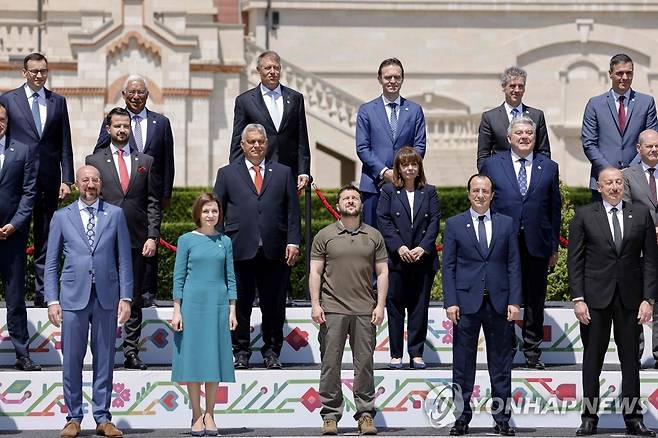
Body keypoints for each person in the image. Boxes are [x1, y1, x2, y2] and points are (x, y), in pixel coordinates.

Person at [44, 165, 133, 438]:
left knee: (105, 358)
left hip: (107, 297)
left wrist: (126, 297)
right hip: (72, 297)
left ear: (101, 184)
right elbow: (50, 263)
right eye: (85, 180)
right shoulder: (61, 217)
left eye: (95, 180)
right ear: (77, 184)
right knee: (71, 358)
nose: (91, 184)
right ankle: (73, 417)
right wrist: (52, 300)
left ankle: (103, 417)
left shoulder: (116, 214)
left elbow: (124, 260)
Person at [568, 167, 657, 437]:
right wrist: (578, 298)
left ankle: (633, 419)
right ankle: (589, 417)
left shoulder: (640, 214)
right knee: (592, 361)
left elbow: (651, 261)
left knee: (630, 361)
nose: (615, 187)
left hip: (630, 300)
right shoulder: (584, 216)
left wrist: (648, 299)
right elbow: (576, 260)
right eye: (609, 183)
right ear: (599, 186)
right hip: (594, 300)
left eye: (619, 182)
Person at [213, 123, 301, 370]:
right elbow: (216, 212)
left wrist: (293, 240)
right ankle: (241, 351)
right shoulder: (227, 173)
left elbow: (292, 211)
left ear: (266, 144)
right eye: (251, 142)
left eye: (260, 142)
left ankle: (272, 351)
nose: (256, 146)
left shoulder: (283, 173)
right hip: (239, 249)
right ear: (242, 145)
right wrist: (218, 244)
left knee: (274, 305)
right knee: (240, 304)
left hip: (275, 249)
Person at [442, 174, 521, 437]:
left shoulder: (506, 224)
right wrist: (450, 301)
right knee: (462, 364)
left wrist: (514, 300)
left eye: (485, 190)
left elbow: (513, 264)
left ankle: (502, 418)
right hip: (465, 304)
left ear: (492, 194)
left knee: (501, 363)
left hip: (499, 303)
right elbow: (449, 266)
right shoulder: (454, 224)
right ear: (468, 194)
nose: (480, 195)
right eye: (475, 190)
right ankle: (462, 418)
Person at [481, 115, 561, 369]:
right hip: (503, 244)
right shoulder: (492, 166)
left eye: (529, 133)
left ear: (535, 138)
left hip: (537, 244)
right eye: (520, 133)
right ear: (509, 138)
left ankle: (532, 352)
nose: (525, 137)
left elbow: (554, 210)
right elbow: (484, 203)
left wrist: (553, 247)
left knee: (535, 300)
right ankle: (505, 349)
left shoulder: (548, 166)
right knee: (502, 297)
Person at [86, 107, 161, 371]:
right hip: (104, 241)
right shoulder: (94, 161)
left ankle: (131, 351)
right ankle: (103, 351)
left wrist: (153, 236)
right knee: (103, 297)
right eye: (117, 126)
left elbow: (153, 202)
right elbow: (88, 202)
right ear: (108, 129)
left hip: (137, 240)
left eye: (126, 126)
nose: (122, 130)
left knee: (134, 297)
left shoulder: (146, 161)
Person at [310, 185, 388, 436]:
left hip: (364, 310)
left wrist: (380, 305)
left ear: (361, 204)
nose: (351, 201)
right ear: (338, 204)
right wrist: (314, 303)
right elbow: (315, 272)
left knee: (364, 364)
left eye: (355, 197)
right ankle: (330, 415)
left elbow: (383, 272)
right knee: (330, 364)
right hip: (332, 309)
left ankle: (365, 414)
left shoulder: (374, 236)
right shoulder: (324, 235)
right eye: (346, 198)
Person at [94, 74, 175, 308]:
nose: (136, 97)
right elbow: (100, 151)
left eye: (141, 93)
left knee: (149, 241)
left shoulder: (162, 122)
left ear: (147, 96)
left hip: (149, 192)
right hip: (120, 191)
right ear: (124, 95)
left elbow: (168, 160)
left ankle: (147, 292)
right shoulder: (114, 122)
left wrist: (166, 194)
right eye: (132, 93)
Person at [0, 52, 73, 308]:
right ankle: (15, 296)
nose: (39, 75)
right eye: (34, 71)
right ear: (24, 73)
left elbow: (64, 142)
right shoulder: (8, 99)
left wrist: (68, 178)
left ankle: (43, 296)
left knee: (46, 239)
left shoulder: (58, 102)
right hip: (16, 183)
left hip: (49, 181)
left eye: (43, 71)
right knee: (15, 238)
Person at [171, 193, 237, 437]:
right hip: (192, 305)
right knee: (193, 360)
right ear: (198, 213)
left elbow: (230, 277)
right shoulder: (186, 240)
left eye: (215, 211)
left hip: (218, 304)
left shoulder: (225, 242)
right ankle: (196, 414)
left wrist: (232, 309)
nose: (211, 215)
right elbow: (178, 277)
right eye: (206, 211)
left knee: (213, 359)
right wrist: (177, 309)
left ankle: (210, 413)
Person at [376, 146, 440, 369]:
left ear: (419, 167)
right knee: (394, 307)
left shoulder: (429, 191)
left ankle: (416, 353)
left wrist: (423, 247)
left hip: (422, 260)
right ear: (398, 168)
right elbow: (383, 220)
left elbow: (434, 222)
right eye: (405, 165)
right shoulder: (388, 191)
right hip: (396, 260)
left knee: (419, 307)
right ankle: (396, 354)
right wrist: (398, 247)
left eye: (414, 164)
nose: (410, 168)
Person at [356, 58, 426, 227]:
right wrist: (384, 172)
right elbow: (363, 148)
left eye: (397, 77)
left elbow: (420, 146)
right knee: (372, 239)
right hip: (373, 185)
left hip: (406, 184)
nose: (392, 81)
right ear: (379, 79)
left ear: (403, 79)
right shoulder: (366, 110)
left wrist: (402, 172)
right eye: (388, 77)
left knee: (402, 238)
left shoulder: (415, 110)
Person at [229, 50, 310, 191]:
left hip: (289, 171)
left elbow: (302, 138)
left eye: (276, 67)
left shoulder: (295, 98)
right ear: (259, 70)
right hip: (258, 170)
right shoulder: (245, 101)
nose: (273, 72)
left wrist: (304, 170)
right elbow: (237, 140)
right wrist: (235, 172)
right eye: (268, 68)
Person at [582, 53, 658, 200]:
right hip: (603, 180)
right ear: (610, 74)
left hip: (639, 181)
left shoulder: (646, 102)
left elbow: (651, 139)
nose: (624, 77)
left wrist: (630, 171)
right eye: (619, 73)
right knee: (603, 223)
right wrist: (610, 172)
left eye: (629, 73)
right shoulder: (595, 104)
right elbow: (589, 143)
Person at [0, 103, 40, 371]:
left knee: (15, 299)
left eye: (1, 119)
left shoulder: (22, 150)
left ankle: (22, 354)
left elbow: (29, 193)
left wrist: (14, 225)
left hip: (12, 237)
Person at [623, 129, 658, 368]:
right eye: (649, 146)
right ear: (639, 149)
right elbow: (624, 210)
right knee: (637, 302)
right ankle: (633, 355)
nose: (654, 150)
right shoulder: (627, 176)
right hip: (639, 250)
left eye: (657, 146)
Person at [476, 66, 551, 171]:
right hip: (500, 176)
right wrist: (488, 180)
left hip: (529, 176)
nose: (517, 90)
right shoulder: (490, 118)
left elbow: (544, 152)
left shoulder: (537, 116)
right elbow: (483, 155)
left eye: (520, 86)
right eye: (512, 86)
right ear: (504, 87)